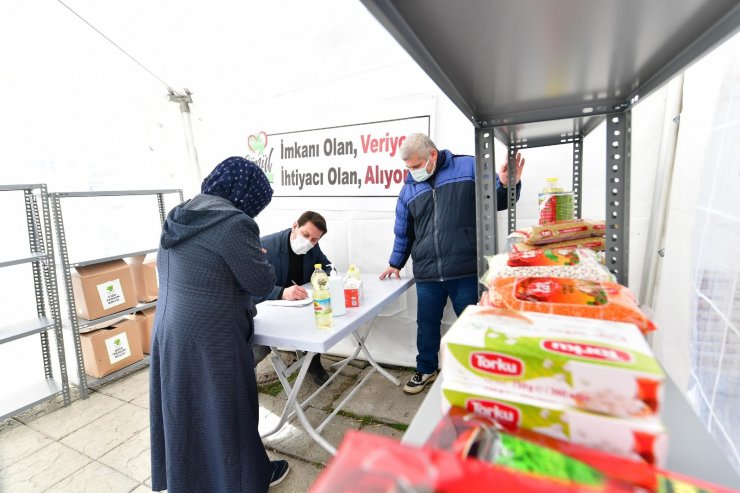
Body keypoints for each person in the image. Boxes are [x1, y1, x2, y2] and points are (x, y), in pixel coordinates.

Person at [150, 156, 290, 492]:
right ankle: (244, 480)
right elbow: (259, 282)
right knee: (229, 410)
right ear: (246, 195)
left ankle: (190, 482)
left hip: (169, 330)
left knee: (184, 409)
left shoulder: (180, 214)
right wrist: (260, 255)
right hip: (210, 335)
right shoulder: (234, 223)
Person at [379, 134, 525, 394]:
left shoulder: (468, 167)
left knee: (471, 325)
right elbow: (404, 231)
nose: (412, 172)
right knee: (426, 325)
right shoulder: (408, 188)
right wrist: (395, 262)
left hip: (464, 269)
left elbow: (499, 201)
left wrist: (506, 185)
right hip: (427, 273)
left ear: (432, 155)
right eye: (408, 168)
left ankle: (475, 373)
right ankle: (426, 369)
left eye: (415, 165)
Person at [253, 211, 333, 386]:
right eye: (305, 235)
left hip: (297, 307)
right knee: (258, 349)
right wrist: (281, 293)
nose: (309, 242)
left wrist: (326, 276)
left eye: (314, 239)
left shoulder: (313, 246)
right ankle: (236, 381)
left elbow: (327, 266)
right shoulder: (265, 246)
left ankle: (313, 362)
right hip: (265, 312)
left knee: (318, 319)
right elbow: (247, 287)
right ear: (295, 225)